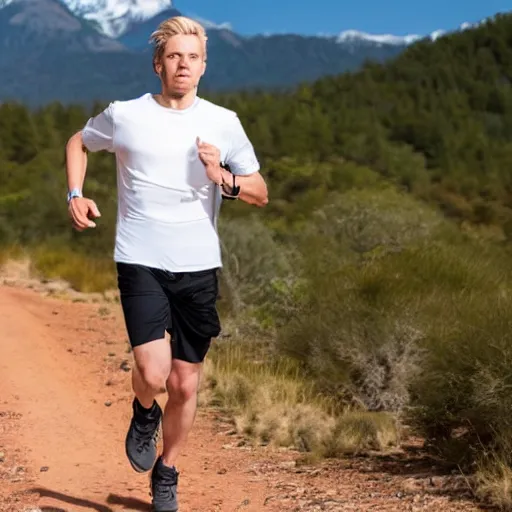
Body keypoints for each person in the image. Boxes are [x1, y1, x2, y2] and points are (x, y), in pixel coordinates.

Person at [64, 15, 268, 512]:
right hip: (139, 257)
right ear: (159, 63)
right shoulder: (126, 114)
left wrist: (224, 176)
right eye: (174, 56)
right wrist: (76, 194)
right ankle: (143, 409)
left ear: (203, 66)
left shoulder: (223, 122)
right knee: (154, 374)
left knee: (185, 381)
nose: (183, 64)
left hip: (198, 265)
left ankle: (168, 469)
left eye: (192, 57)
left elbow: (260, 192)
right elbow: (77, 142)